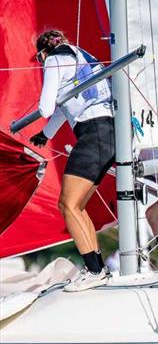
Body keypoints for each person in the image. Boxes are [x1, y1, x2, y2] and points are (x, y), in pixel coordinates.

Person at [30, 29, 115, 292]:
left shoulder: (54, 59)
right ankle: (97, 268)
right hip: (110, 133)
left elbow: (47, 107)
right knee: (77, 205)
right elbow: (65, 104)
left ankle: (94, 270)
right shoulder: (83, 57)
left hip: (93, 132)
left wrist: (36, 118)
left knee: (67, 204)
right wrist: (45, 135)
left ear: (43, 52)